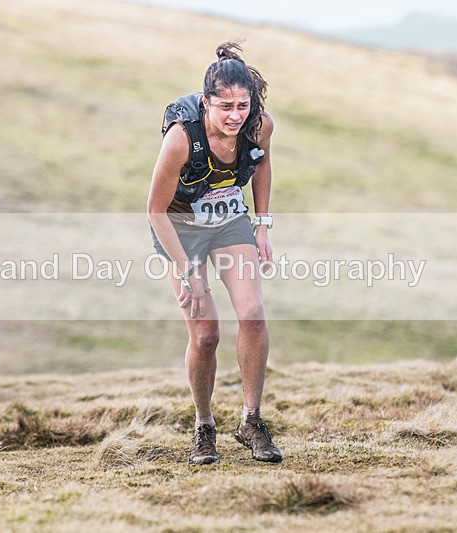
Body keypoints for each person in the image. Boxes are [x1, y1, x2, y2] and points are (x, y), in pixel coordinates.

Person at [147, 42, 282, 464]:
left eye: (242, 105)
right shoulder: (181, 139)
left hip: (228, 222)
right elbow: (154, 210)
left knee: (253, 315)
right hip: (180, 227)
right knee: (206, 335)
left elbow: (260, 164)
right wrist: (186, 270)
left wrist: (261, 225)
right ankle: (204, 427)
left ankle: (251, 421)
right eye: (224, 106)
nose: (234, 116)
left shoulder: (259, 126)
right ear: (206, 102)